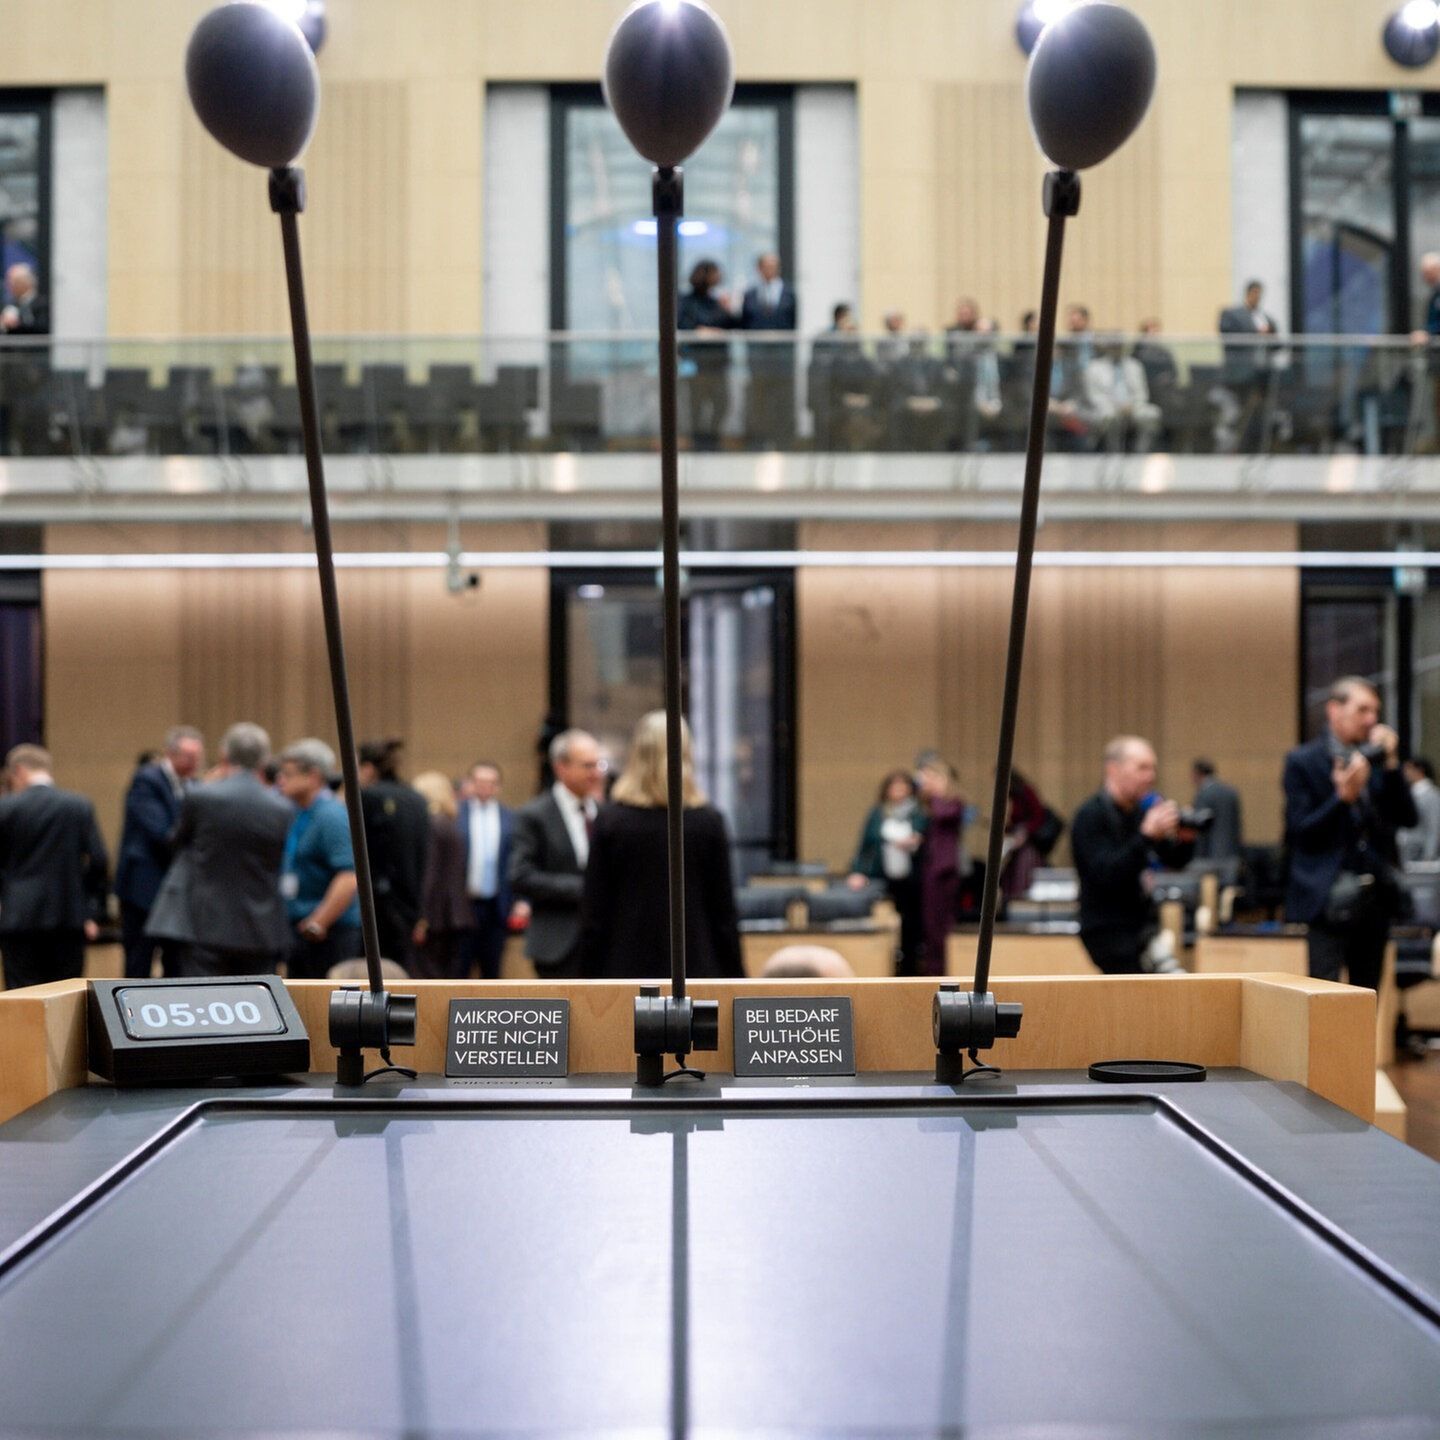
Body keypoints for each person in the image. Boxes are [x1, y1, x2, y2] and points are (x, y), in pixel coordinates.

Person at [578, 711, 742, 980]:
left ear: (637, 755)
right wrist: (737, 977)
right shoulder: (708, 822)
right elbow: (723, 914)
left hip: (623, 969)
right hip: (696, 968)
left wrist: (587, 979)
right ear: (686, 755)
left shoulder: (610, 822)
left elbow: (594, 913)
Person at [1285, 678, 1417, 992]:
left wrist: (1391, 764)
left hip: (1375, 897)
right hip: (1327, 897)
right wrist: (1342, 799)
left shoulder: (1375, 761)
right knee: (1323, 999)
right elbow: (1300, 832)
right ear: (1334, 710)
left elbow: (1407, 817)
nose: (1372, 719)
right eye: (1363, 710)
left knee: (1367, 998)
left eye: (1375, 711)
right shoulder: (1303, 761)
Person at [144, 722, 293, 976]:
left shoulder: (202, 797)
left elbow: (177, 842)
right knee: (256, 997)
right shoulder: (282, 808)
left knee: (204, 997)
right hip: (261, 928)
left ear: (224, 755)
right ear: (265, 760)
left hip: (205, 923)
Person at [1070, 736, 1193, 975]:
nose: (1151, 776)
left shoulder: (1141, 812)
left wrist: (1185, 840)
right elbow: (1106, 873)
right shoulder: (1090, 815)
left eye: (1153, 768)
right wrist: (1146, 836)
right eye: (1142, 768)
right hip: (1107, 931)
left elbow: (1175, 860)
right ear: (1113, 769)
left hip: (1141, 928)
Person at [0, 746, 107, 989]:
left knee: (22, 995)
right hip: (69, 914)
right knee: (66, 992)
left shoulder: (6, 807)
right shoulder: (78, 805)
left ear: (18, 770)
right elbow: (99, 860)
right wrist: (90, 909)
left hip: (19, 916)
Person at [509, 728, 601, 978]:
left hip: (601, 943)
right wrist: (582, 888)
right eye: (588, 766)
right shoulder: (535, 815)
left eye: (598, 765)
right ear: (561, 767)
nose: (596, 773)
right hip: (556, 944)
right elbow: (520, 875)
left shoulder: (604, 813)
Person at [114, 725, 205, 980]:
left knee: (177, 964)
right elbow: (161, 832)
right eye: (188, 757)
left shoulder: (195, 785)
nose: (194, 763)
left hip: (178, 890)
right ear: (170, 753)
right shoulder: (147, 779)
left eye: (198, 757)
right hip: (143, 889)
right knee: (139, 961)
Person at [276, 738, 361, 979]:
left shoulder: (331, 815)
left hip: (328, 933)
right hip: (302, 928)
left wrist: (319, 922)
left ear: (313, 777)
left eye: (288, 774)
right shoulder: (299, 811)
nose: (281, 780)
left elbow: (348, 876)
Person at [358, 738, 429, 973]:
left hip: (376, 903)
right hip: (410, 901)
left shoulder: (368, 797)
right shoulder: (417, 799)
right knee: (401, 970)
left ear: (368, 768)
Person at [846, 769, 926, 975]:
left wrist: (914, 841)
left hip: (911, 880)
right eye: (894, 786)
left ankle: (909, 971)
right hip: (882, 877)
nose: (898, 790)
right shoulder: (878, 813)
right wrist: (857, 871)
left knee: (910, 925)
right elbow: (865, 845)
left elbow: (925, 841)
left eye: (903, 786)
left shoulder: (919, 813)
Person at [410, 770, 475, 980]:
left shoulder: (432, 824)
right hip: (455, 913)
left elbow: (430, 874)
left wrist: (421, 918)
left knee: (429, 979)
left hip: (436, 916)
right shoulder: (449, 823)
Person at [459, 759, 519, 981]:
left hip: (497, 906)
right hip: (464, 906)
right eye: (479, 781)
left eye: (490, 782)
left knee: (492, 972)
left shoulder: (510, 818)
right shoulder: (456, 814)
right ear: (470, 783)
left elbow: (516, 862)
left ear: (498, 786)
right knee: (460, 970)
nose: (484, 786)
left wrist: (520, 901)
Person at [740, 251, 798, 447]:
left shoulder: (789, 293)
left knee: (782, 398)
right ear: (759, 268)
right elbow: (745, 323)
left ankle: (783, 441)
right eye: (767, 266)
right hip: (758, 357)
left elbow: (792, 323)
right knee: (759, 399)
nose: (771, 270)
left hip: (782, 356)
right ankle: (758, 440)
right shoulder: (750, 294)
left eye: (774, 266)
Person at [677, 259, 736, 451]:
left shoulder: (716, 301)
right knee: (696, 404)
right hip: (697, 362)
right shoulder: (687, 300)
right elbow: (683, 325)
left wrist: (727, 309)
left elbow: (731, 325)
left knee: (722, 403)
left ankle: (712, 437)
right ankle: (699, 441)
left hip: (718, 363)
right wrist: (702, 331)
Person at [917, 757, 967, 976]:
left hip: (944, 870)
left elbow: (942, 814)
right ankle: (933, 972)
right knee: (930, 926)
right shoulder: (929, 805)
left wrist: (936, 791)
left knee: (941, 926)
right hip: (931, 867)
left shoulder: (954, 802)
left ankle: (941, 973)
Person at [1219, 279, 1280, 450]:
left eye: (1260, 294)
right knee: (1240, 412)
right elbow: (1227, 334)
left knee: (1261, 413)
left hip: (1263, 374)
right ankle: (1236, 447)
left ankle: (1257, 446)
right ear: (1248, 293)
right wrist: (1256, 333)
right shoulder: (1232, 315)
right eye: (1255, 293)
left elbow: (1277, 344)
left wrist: (1269, 336)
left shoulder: (1266, 318)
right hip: (1241, 375)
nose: (1257, 297)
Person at [1085, 335, 1161, 452]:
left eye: (1119, 346)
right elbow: (1094, 395)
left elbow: (1142, 392)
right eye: (1113, 346)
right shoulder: (1095, 367)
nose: (1116, 349)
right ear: (1107, 347)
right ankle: (1114, 452)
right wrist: (1115, 405)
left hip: (1133, 406)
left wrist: (1132, 405)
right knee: (1109, 416)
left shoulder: (1135, 365)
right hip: (1107, 406)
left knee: (1152, 414)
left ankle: (1141, 452)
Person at [1001, 769, 1048, 901]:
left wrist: (1025, 831)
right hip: (1017, 841)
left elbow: (1039, 816)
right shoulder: (1014, 796)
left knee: (1022, 877)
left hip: (1028, 843)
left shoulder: (1026, 791)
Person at [1191, 758, 1243, 862]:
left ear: (1197, 774)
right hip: (1232, 852)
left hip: (1210, 854)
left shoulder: (1203, 794)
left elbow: (1200, 827)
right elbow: (1237, 824)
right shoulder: (1231, 792)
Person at [1399, 756, 1440, 864]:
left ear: (1419, 770)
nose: (1405, 772)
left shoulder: (1432, 795)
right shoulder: (1408, 792)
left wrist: (1429, 855)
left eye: (1409, 768)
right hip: (1405, 851)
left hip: (1420, 853)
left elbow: (1433, 826)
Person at [1, 263, 49, 335]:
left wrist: (17, 325)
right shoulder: (9, 306)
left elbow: (43, 329)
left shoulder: (44, 304)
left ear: (25, 282)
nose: (8, 286)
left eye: (13, 282)